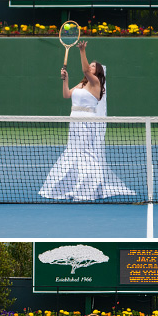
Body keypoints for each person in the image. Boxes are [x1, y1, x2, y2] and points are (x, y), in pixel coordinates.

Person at [40, 41, 135, 200]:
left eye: (93, 66)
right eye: (89, 65)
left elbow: (84, 69)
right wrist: (66, 79)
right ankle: (74, 185)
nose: (89, 67)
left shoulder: (96, 83)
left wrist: (82, 51)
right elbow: (66, 95)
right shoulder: (82, 84)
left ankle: (91, 188)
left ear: (97, 72)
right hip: (74, 120)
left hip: (87, 121)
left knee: (86, 153)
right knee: (73, 152)